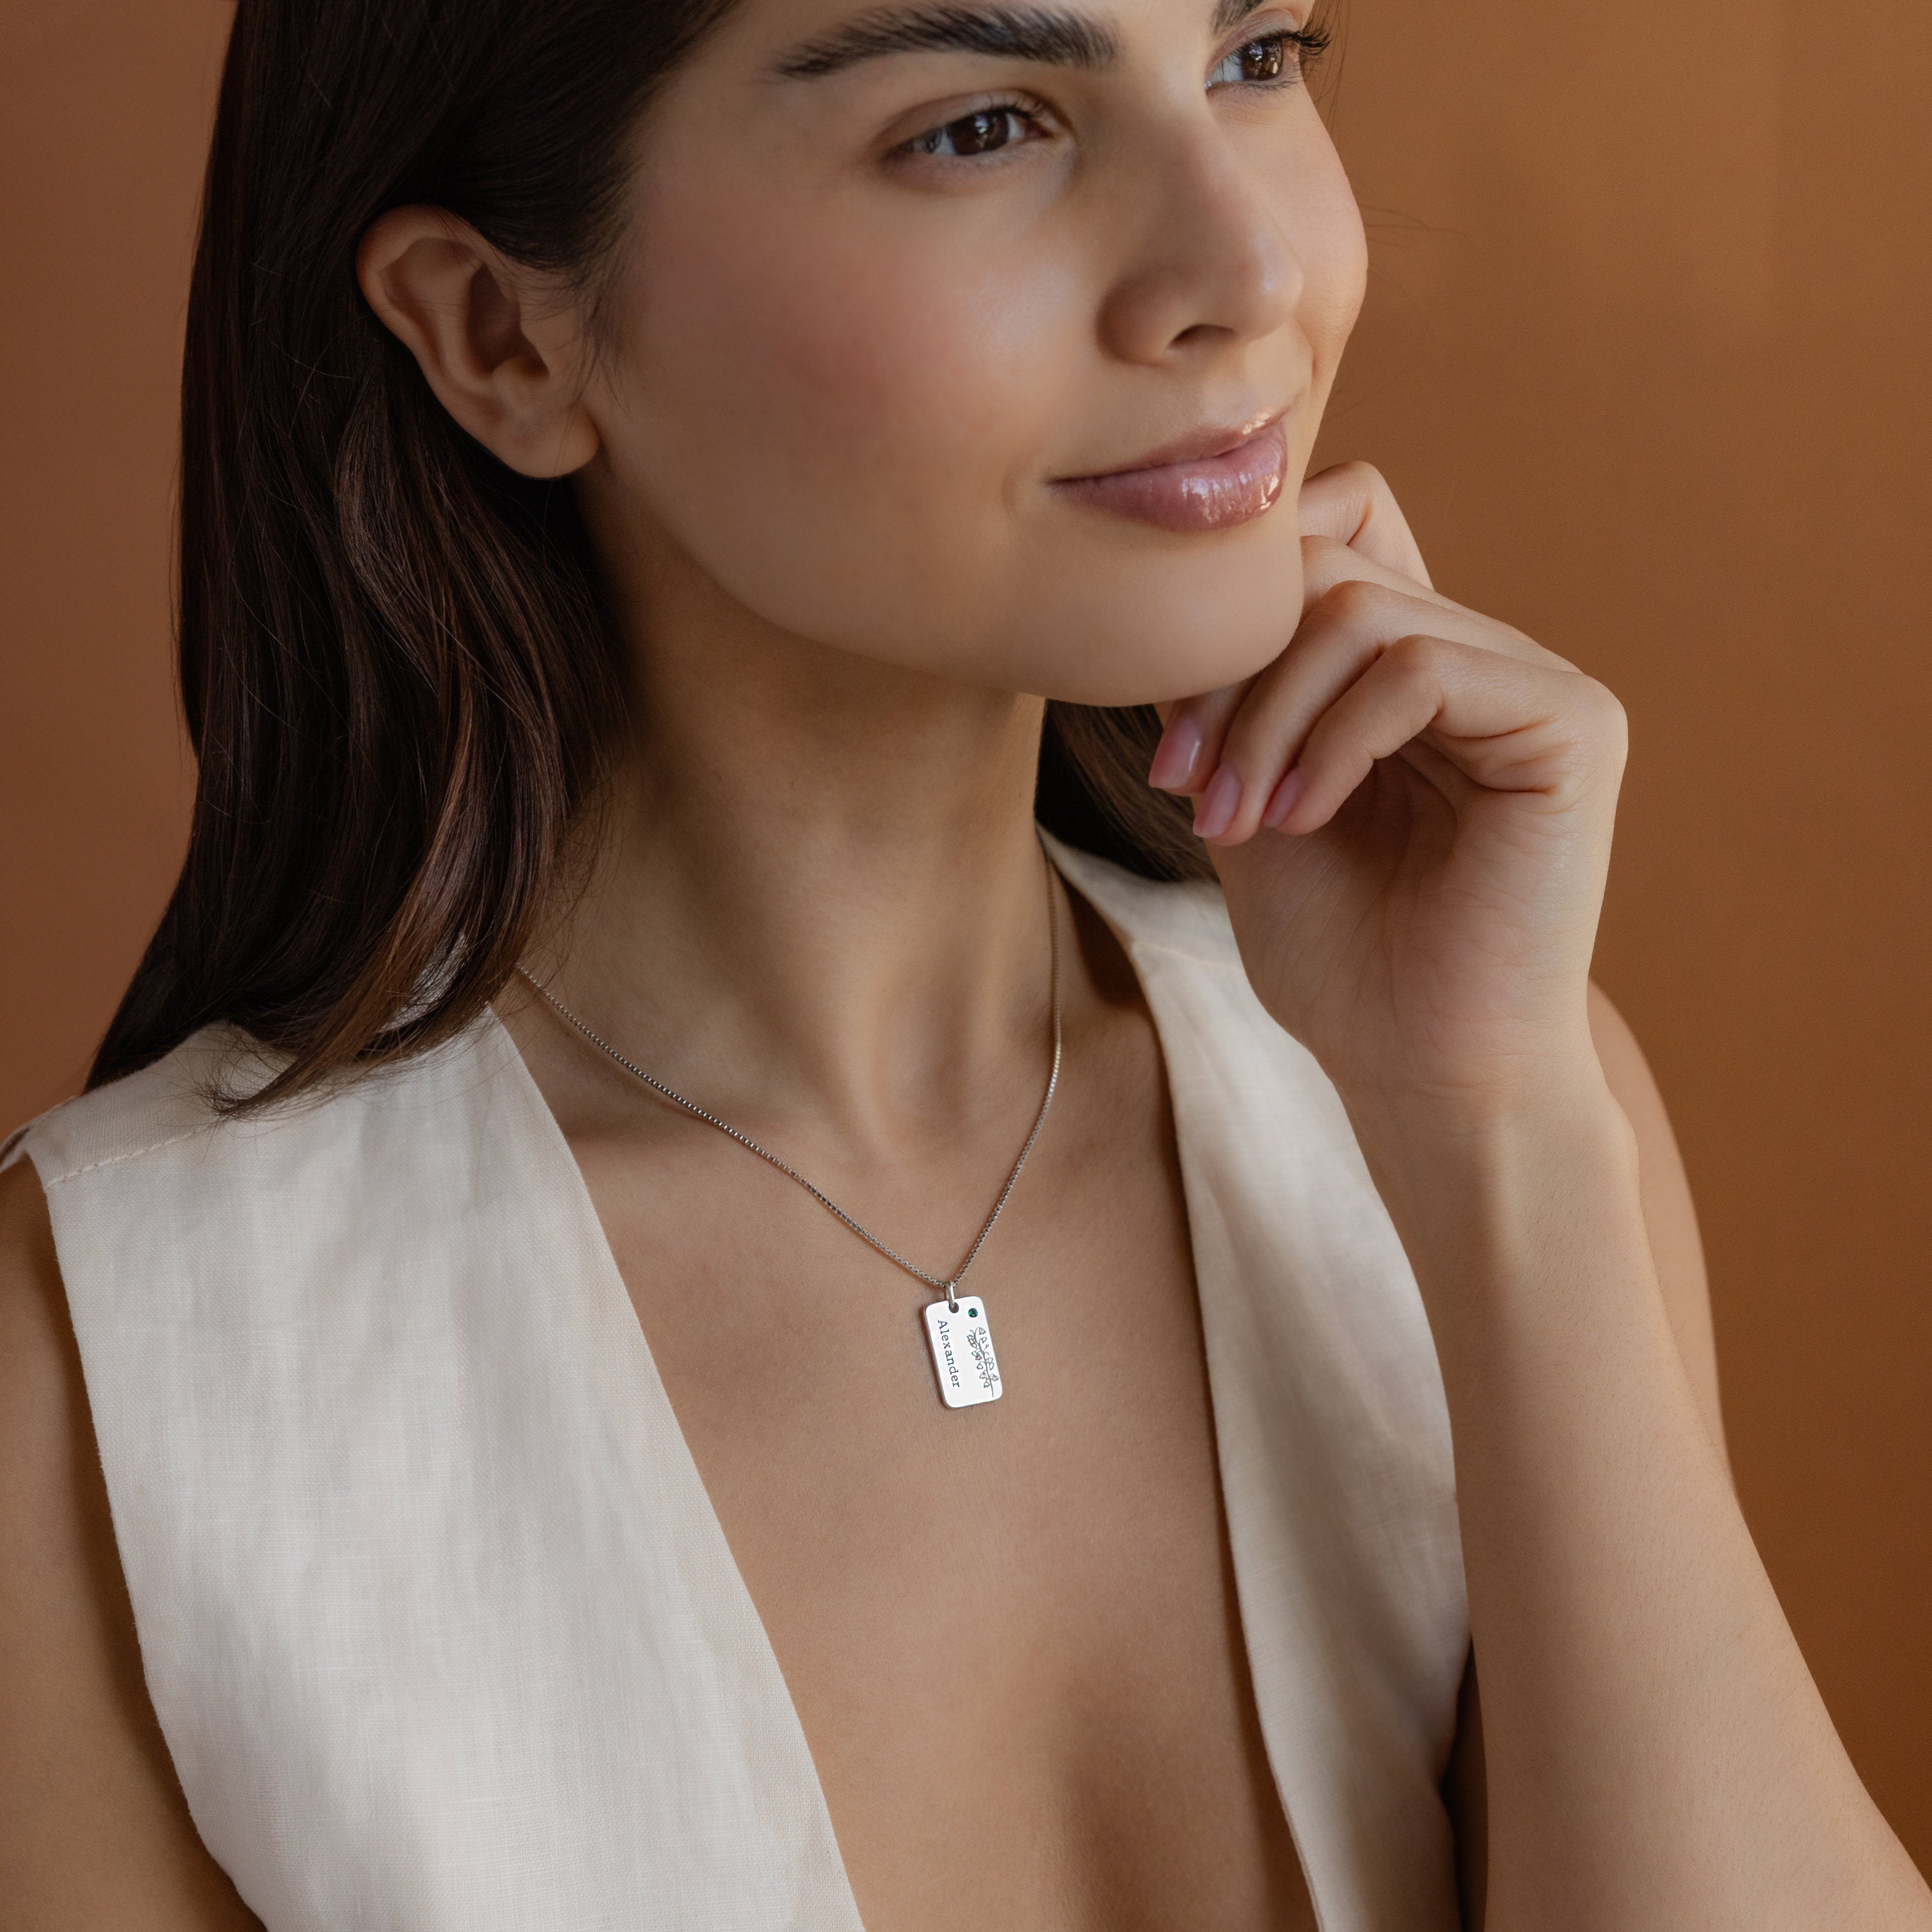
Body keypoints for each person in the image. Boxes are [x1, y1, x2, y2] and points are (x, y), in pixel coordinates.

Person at [2, 0, 1926, 1926]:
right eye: (986, 124)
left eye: (1257, 55)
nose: (1249, 272)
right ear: (504, 333)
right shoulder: (96, 1399)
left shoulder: (1485, 1121)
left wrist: (1500, 1134)